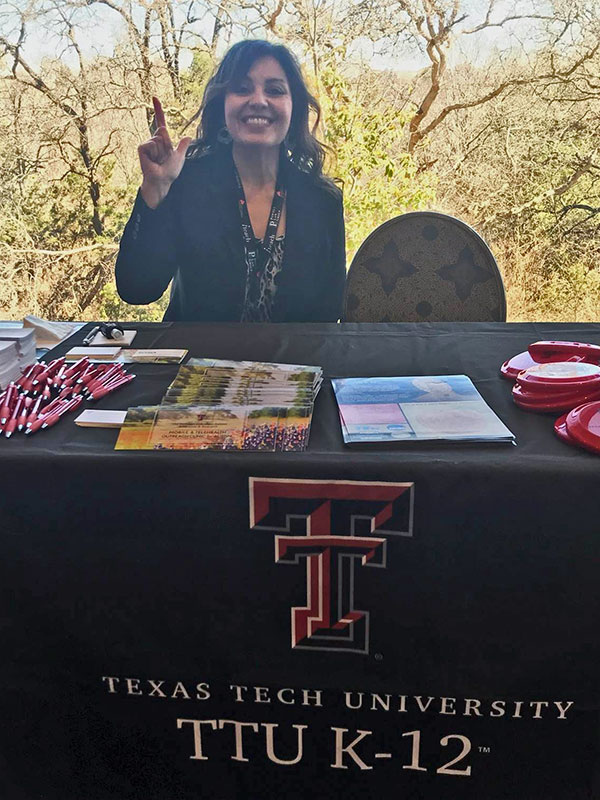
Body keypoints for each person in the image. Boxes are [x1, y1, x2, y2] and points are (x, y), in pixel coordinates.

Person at [115, 39, 346, 322]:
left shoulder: (323, 199)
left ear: (294, 108)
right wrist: (155, 188)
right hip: (198, 363)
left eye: (274, 90)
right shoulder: (186, 183)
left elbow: (330, 310)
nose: (258, 101)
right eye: (242, 89)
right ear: (223, 105)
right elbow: (137, 289)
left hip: (290, 363)